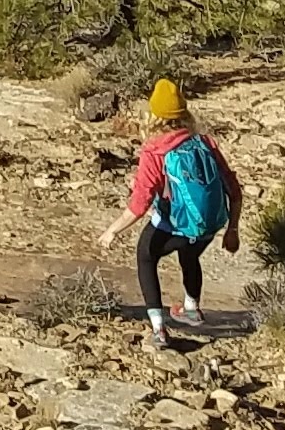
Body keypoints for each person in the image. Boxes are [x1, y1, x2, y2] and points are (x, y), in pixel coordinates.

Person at [94, 77, 242, 351]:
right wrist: (232, 230)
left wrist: (112, 231)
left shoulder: (155, 150)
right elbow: (234, 189)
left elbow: (139, 205)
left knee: (145, 256)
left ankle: (159, 329)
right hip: (209, 225)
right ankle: (191, 309)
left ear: (155, 115)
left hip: (176, 224)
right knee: (189, 253)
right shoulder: (204, 142)